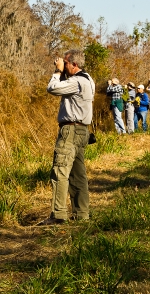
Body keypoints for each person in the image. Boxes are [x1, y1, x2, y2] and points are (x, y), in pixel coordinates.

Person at [39, 49, 95, 225]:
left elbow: (52, 88)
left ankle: (58, 215)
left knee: (60, 171)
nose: (63, 65)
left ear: (74, 64)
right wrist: (63, 71)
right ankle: (81, 213)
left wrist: (57, 71)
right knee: (78, 175)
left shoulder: (77, 81)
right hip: (82, 131)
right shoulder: (88, 79)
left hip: (70, 131)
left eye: (66, 62)